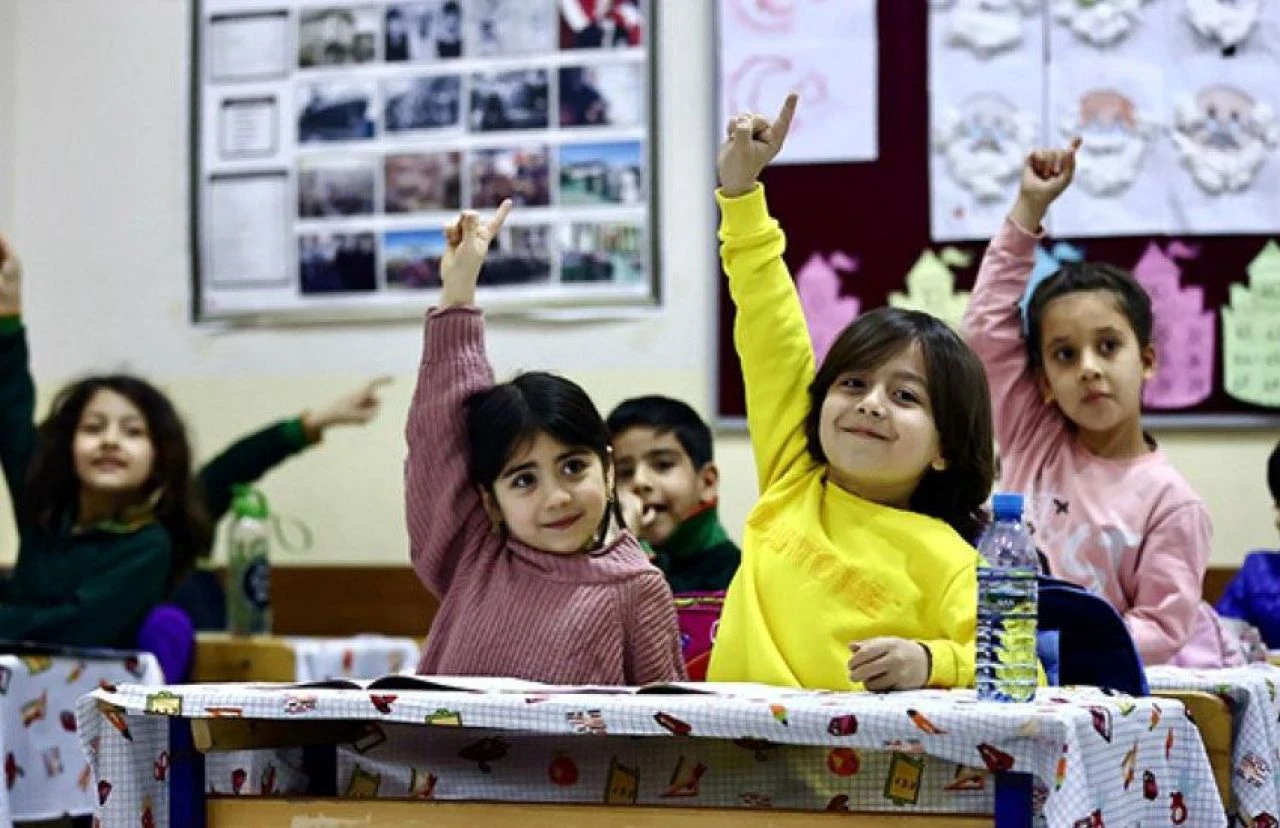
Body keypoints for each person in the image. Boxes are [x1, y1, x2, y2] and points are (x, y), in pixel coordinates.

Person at [707, 96, 995, 691]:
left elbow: (1025, 670)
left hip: (850, 783)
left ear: (945, 448)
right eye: (854, 383)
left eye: (906, 397)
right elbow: (771, 327)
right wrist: (740, 197)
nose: (870, 404)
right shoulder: (794, 476)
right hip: (724, 768)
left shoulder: (949, 559)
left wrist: (930, 661)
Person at [404, 202, 684, 684]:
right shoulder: (473, 554)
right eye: (524, 480)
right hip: (433, 764)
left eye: (573, 467)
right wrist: (458, 293)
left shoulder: (637, 588)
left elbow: (666, 734)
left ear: (610, 471)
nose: (556, 496)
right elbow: (439, 438)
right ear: (490, 502)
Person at [962, 139, 1214, 666]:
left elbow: (1161, 628)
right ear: (1046, 381)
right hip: (1004, 675)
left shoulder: (1172, 503)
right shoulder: (1034, 435)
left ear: (1146, 360)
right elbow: (986, 329)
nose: (1090, 369)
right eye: (1064, 354)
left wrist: (1054, 649)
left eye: (1108, 346)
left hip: (1099, 702)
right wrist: (1029, 208)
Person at [607, 395, 740, 593]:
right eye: (624, 472)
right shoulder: (603, 561)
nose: (639, 481)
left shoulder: (739, 575)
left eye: (663, 465)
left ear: (707, 482)